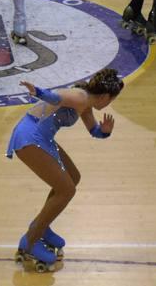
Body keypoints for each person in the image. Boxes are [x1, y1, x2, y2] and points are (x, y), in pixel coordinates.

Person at [8, 68, 124, 270]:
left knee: (72, 177)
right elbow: (55, 97)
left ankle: (41, 227)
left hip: (41, 138)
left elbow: (94, 131)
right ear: (105, 96)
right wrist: (37, 91)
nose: (110, 104)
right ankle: (31, 240)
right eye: (112, 100)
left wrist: (105, 132)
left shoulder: (86, 105)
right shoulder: (80, 96)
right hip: (29, 137)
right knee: (67, 189)